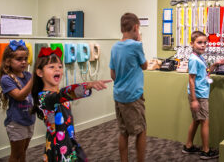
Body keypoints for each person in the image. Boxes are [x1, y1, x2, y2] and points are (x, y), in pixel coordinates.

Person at [31, 47, 111, 161]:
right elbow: (63, 95)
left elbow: (64, 95)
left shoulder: (59, 94)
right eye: (51, 67)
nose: (57, 69)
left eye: (59, 66)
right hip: (57, 148)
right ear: (39, 72)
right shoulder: (44, 97)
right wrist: (87, 85)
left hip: (69, 142)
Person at [109, 13, 148, 162]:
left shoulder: (115, 47)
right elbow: (144, 66)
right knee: (141, 131)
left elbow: (113, 74)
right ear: (136, 27)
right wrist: (140, 42)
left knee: (123, 132)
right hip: (133, 95)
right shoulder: (136, 45)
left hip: (119, 95)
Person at [182, 31, 224, 159]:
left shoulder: (200, 57)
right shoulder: (194, 59)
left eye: (205, 43)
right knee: (205, 122)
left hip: (201, 93)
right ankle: (206, 151)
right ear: (192, 44)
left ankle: (188, 145)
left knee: (196, 121)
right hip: (199, 95)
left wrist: (215, 65)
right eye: (199, 42)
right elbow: (191, 79)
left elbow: (206, 73)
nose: (203, 45)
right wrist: (194, 100)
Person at [0, 39, 35, 162]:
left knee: (23, 151)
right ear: (8, 61)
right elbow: (19, 96)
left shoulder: (28, 76)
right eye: (19, 59)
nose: (24, 62)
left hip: (29, 119)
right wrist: (34, 80)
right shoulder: (6, 79)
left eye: (25, 59)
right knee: (16, 154)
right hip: (16, 122)